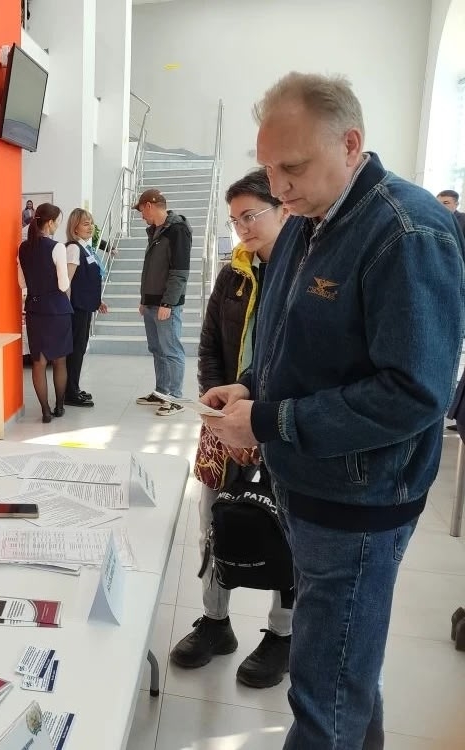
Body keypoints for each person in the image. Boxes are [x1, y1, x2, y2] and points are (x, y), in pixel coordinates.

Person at [203, 72, 465, 748]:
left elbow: (414, 393)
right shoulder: (304, 222)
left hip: (360, 501)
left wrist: (269, 422)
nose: (279, 185)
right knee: (345, 675)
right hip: (306, 482)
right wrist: (250, 387)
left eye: (292, 167)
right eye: (269, 167)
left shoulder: (407, 232)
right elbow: (289, 340)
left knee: (324, 695)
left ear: (351, 144)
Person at [170, 168, 292, 688]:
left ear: (283, 209)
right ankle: (215, 621)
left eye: (251, 215)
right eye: (235, 219)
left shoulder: (306, 272)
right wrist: (218, 416)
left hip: (278, 425)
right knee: (213, 520)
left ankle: (282, 634)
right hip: (225, 422)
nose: (243, 227)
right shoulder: (234, 274)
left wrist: (258, 427)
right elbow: (208, 348)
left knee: (283, 530)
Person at [133, 188, 192, 416]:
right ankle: (161, 392)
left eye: (141, 211)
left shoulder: (177, 230)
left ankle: (176, 398)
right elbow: (150, 270)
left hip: (166, 304)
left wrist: (168, 303)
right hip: (151, 302)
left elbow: (179, 271)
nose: (142, 216)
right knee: (157, 349)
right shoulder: (156, 231)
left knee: (171, 350)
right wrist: (144, 299)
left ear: (149, 205)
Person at [17, 203, 76, 423]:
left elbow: (22, 283)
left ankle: (45, 411)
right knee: (60, 361)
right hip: (57, 311)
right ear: (50, 223)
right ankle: (59, 406)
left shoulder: (23, 248)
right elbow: (63, 285)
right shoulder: (57, 247)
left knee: (38, 362)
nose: (58, 225)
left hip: (35, 310)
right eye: (57, 222)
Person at [63, 208, 107, 408]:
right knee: (76, 350)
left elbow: (87, 280)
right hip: (76, 308)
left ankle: (74, 387)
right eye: (85, 224)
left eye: (91, 223)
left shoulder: (85, 248)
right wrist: (67, 308)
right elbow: (67, 282)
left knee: (80, 349)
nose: (91, 227)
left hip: (84, 306)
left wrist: (97, 300)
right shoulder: (73, 248)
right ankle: (70, 393)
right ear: (75, 228)